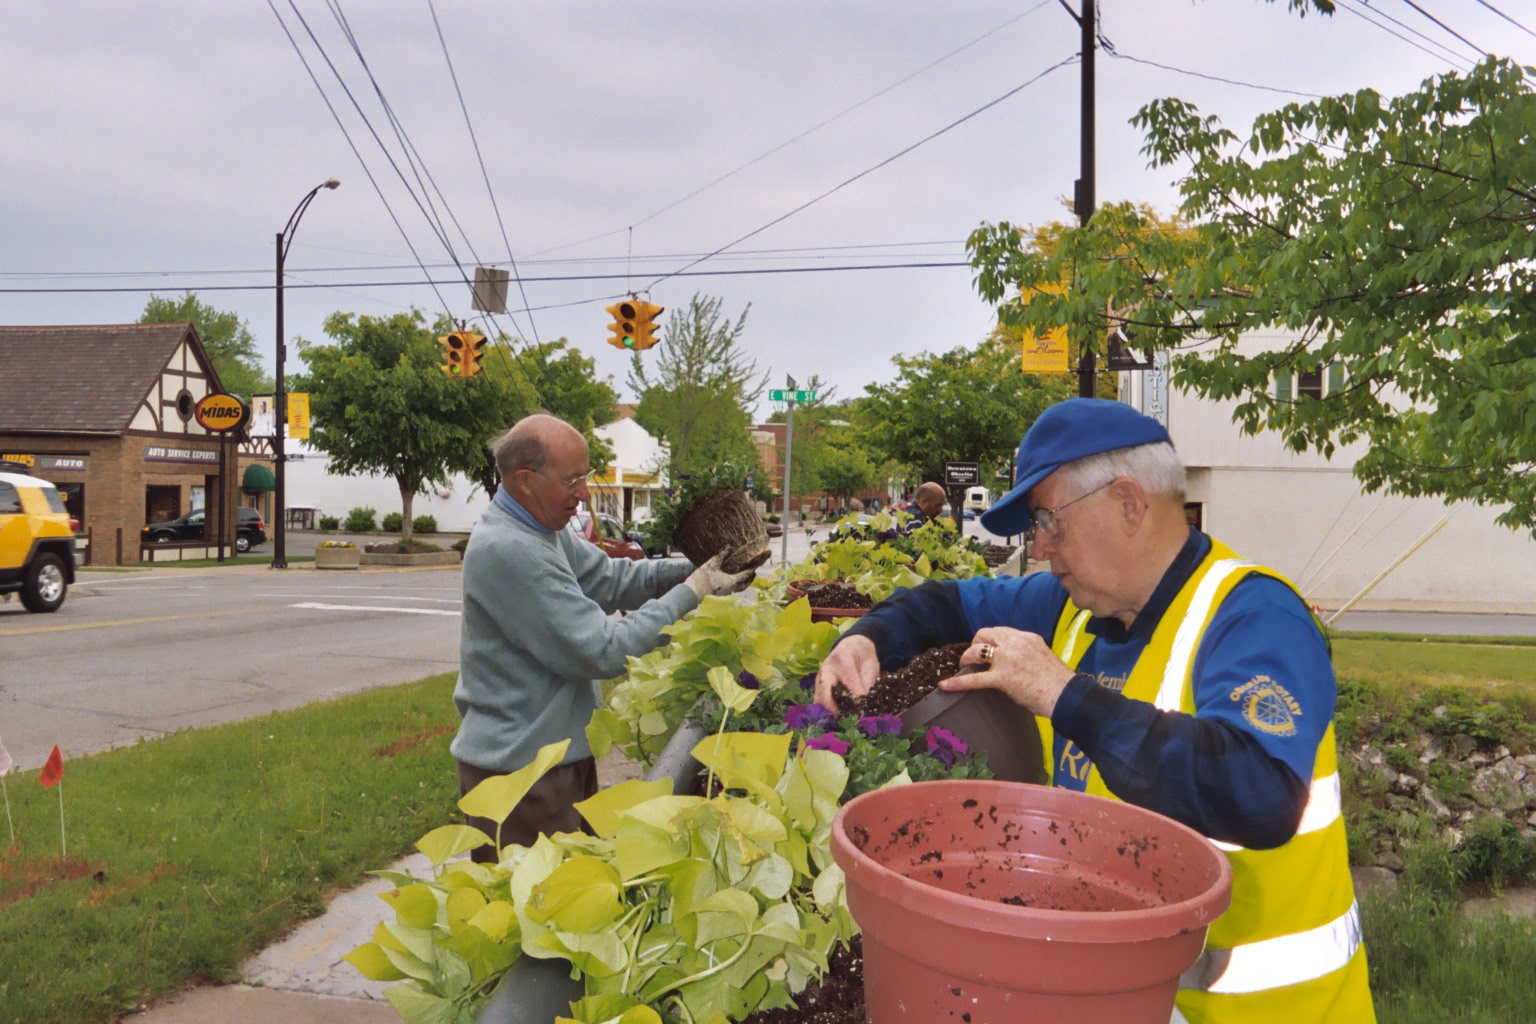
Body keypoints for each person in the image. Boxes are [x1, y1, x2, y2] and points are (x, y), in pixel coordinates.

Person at [815, 399, 1373, 1024]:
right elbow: (945, 604)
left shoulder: (1253, 617)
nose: (1042, 549)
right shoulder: (1075, 609)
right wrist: (863, 639)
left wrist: (1062, 694)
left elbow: (1259, 793)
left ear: (1130, 504)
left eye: (1050, 521)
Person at [452, 414, 754, 860]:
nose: (583, 494)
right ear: (524, 481)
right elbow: (603, 649)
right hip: (522, 773)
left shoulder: (541, 530)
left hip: (550, 758)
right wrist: (694, 592)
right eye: (571, 480)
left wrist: (699, 568)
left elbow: (611, 579)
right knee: (543, 914)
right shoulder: (510, 549)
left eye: (585, 477)